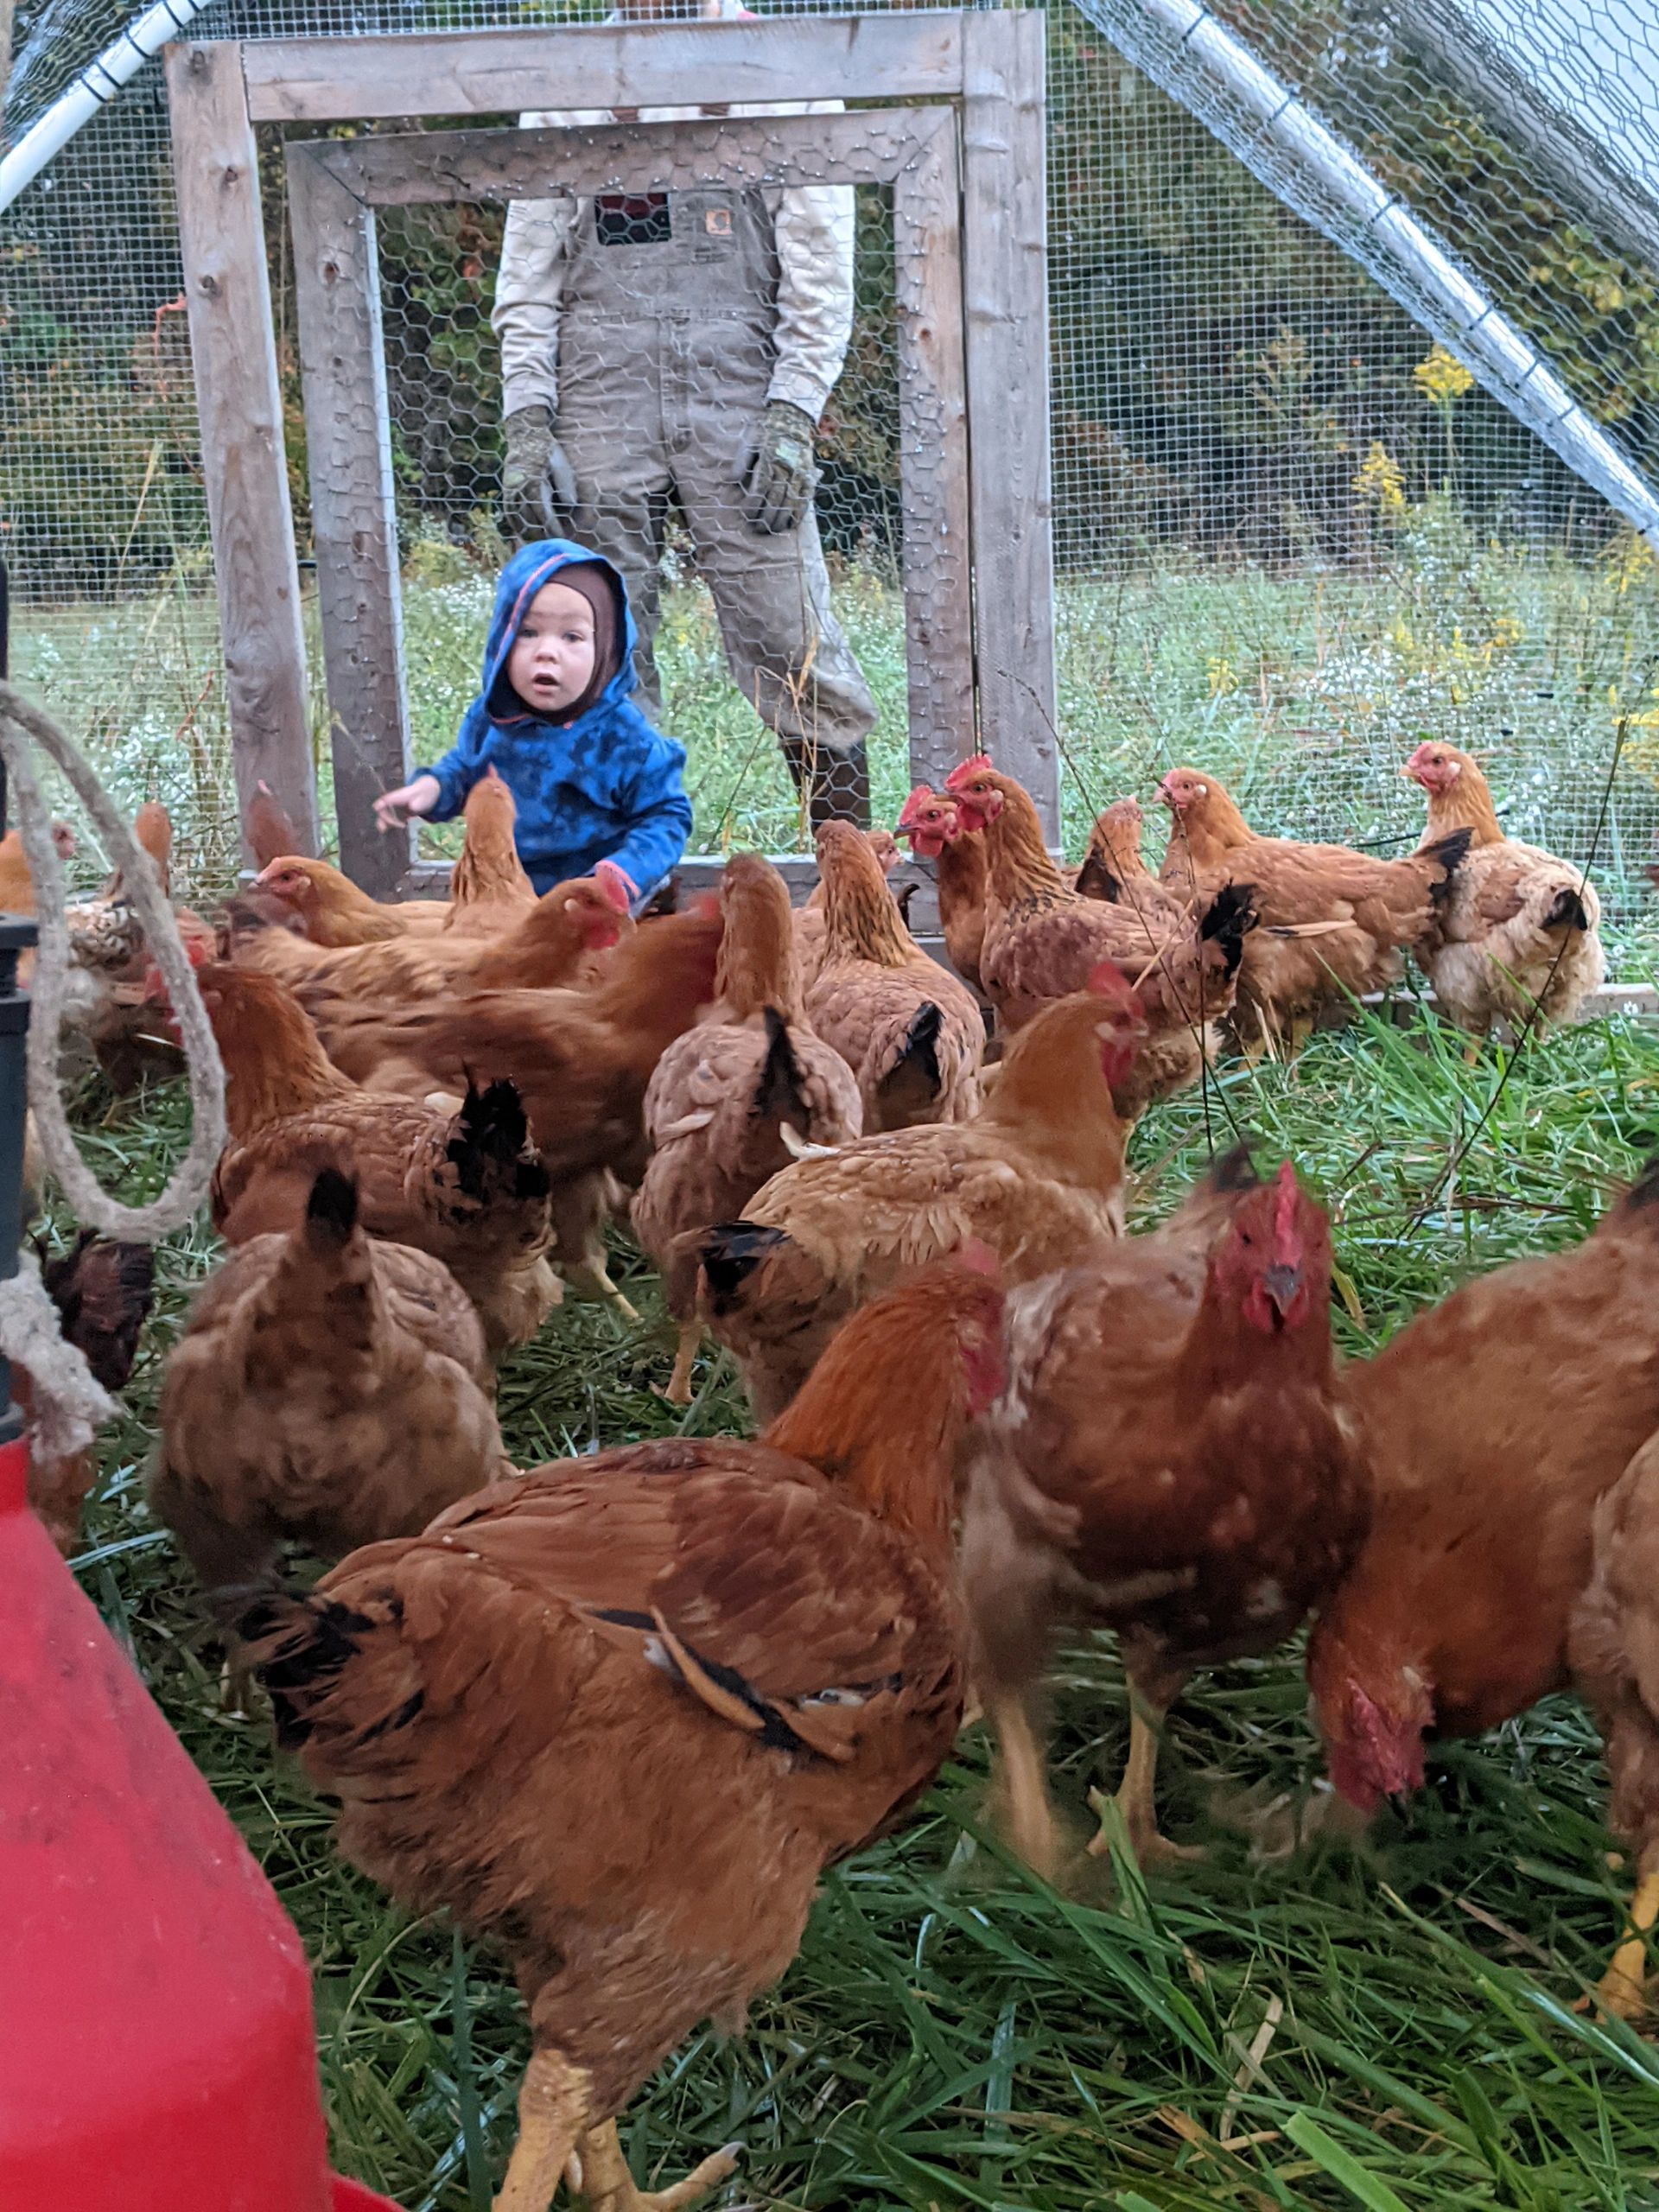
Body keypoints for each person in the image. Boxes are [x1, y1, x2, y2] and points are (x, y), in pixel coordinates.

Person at [492, 0, 879, 829]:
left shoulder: (787, 72)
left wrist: (793, 413)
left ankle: (851, 880)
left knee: (794, 642)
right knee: (592, 645)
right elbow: (528, 274)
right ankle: (621, 886)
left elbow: (820, 270)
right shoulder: (570, 81)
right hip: (597, 391)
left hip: (741, 393)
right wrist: (527, 419)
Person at [374, 540, 691, 904]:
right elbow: (466, 772)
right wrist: (432, 789)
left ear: (605, 651)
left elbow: (666, 816)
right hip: (509, 888)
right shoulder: (494, 720)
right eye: (527, 633)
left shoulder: (623, 736)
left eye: (572, 637)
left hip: (597, 896)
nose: (547, 652)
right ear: (502, 640)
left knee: (601, 938)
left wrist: (623, 874)